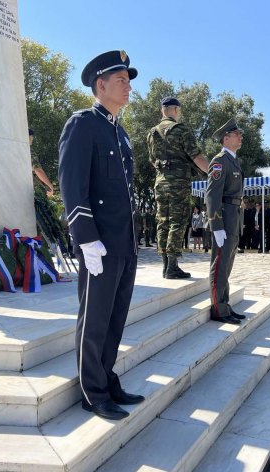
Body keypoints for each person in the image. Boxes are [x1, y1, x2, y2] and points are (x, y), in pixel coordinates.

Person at [58, 50, 144, 421]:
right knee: (94, 319)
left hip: (124, 241)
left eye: (129, 81)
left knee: (115, 317)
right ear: (101, 84)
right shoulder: (82, 124)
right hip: (99, 243)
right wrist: (85, 237)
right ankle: (92, 392)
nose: (128, 87)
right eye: (122, 80)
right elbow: (72, 185)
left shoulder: (119, 131)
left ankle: (107, 378)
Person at [147, 96, 209, 278]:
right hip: (178, 183)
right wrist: (213, 173)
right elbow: (197, 157)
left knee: (162, 222)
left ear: (162, 110)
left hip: (160, 183)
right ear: (175, 110)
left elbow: (152, 160)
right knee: (177, 221)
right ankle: (172, 266)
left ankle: (165, 265)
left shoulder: (152, 133)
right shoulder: (181, 130)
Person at [206, 119, 245, 324]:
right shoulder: (220, 161)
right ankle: (218, 309)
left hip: (233, 216)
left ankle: (225, 305)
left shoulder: (233, 160)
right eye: (236, 134)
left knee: (227, 264)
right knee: (220, 263)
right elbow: (212, 196)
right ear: (226, 138)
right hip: (224, 219)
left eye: (240, 134)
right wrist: (216, 225)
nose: (240, 137)